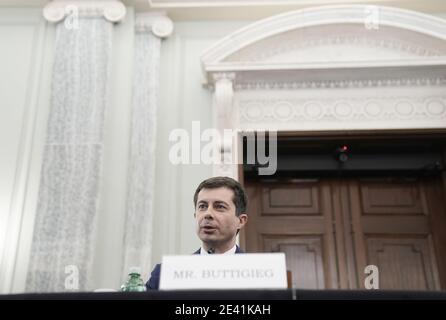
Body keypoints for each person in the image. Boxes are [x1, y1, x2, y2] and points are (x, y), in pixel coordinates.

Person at [146, 176, 248, 290]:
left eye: (219, 206)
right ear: (195, 216)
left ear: (240, 220)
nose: (207, 214)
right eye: (202, 206)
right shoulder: (164, 275)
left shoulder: (259, 274)